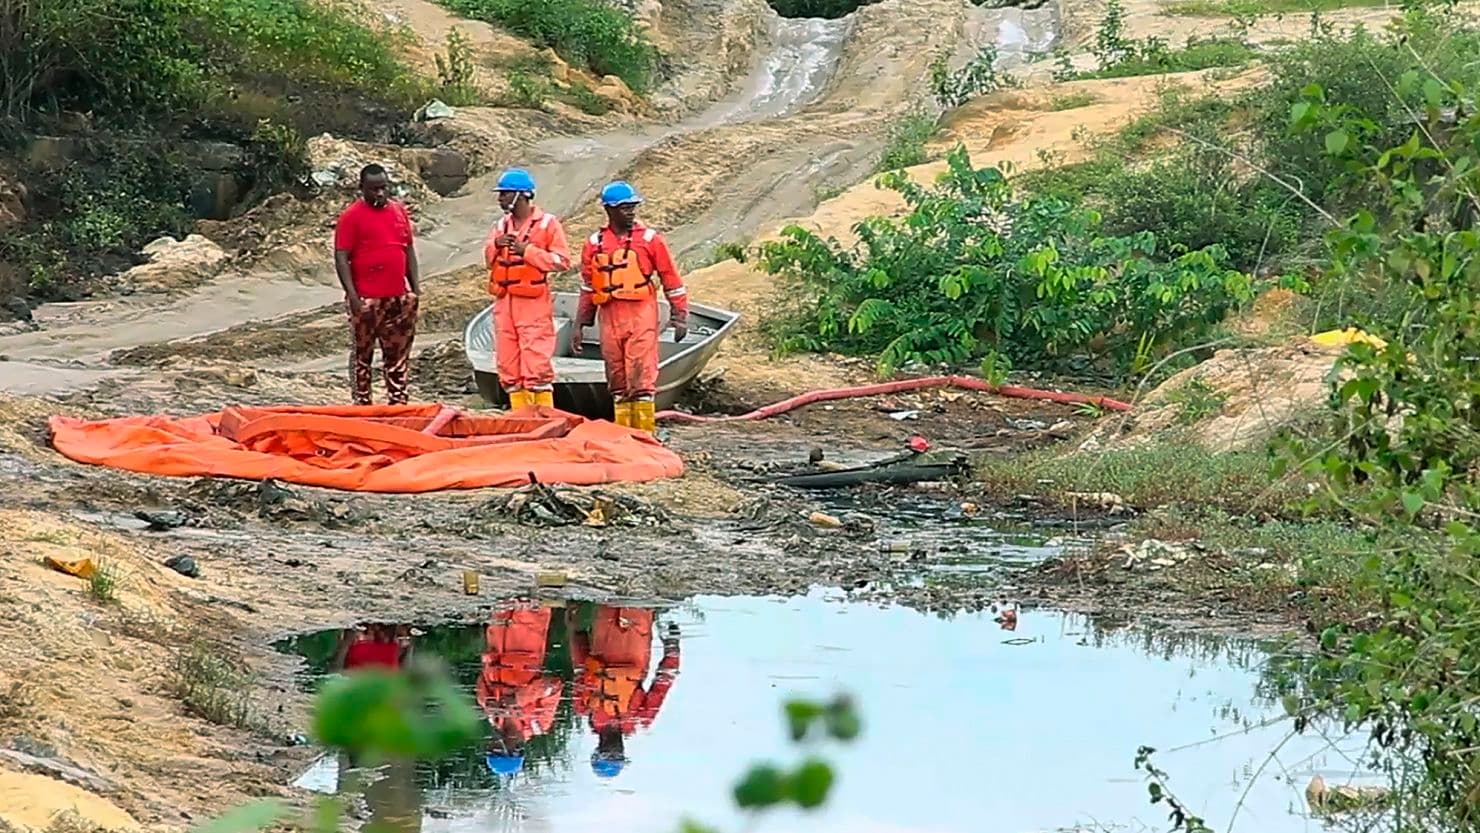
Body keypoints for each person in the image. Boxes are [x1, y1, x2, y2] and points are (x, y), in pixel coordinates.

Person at [574, 181, 689, 434]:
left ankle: (645, 437)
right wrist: (581, 323)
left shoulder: (650, 240)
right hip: (609, 317)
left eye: (633, 207)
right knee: (617, 378)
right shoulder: (594, 243)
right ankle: (624, 437)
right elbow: (588, 285)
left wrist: (680, 315)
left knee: (641, 376)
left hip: (640, 314)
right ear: (609, 209)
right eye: (625, 208)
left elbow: (671, 278)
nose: (631, 212)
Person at [334, 164, 421, 406]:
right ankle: (362, 402)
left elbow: (408, 249)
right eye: (374, 189)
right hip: (367, 298)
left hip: (399, 296)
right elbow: (341, 256)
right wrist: (352, 295)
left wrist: (415, 289)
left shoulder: (399, 211)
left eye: (383, 188)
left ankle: (398, 400)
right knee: (363, 354)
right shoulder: (351, 217)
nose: (380, 194)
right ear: (362, 188)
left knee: (398, 353)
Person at [485, 168, 571, 411]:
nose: (500, 198)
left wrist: (529, 252)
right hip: (505, 302)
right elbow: (488, 260)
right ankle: (520, 418)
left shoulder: (548, 224)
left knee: (536, 361)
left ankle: (544, 418)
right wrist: (495, 245)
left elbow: (562, 261)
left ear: (521, 195)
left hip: (533, 303)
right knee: (508, 363)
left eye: (505, 193)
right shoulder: (500, 225)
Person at [569, 604, 680, 779]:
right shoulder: (640, 719)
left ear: (598, 750)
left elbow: (581, 669)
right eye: (618, 755)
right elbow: (662, 683)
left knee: (609, 600)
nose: (615, 750)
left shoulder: (585, 709)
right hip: (635, 648)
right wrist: (672, 651)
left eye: (610, 755)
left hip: (603, 644)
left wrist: (576, 634)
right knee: (638, 602)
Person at [476, 602, 563, 779]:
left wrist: (486, 701)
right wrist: (519, 699)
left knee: (500, 596)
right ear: (514, 749)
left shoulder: (494, 718)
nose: (492, 743)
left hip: (497, 641)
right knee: (530, 600)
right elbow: (553, 686)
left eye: (490, 748)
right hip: (526, 643)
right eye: (496, 749)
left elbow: (480, 681)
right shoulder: (539, 723)